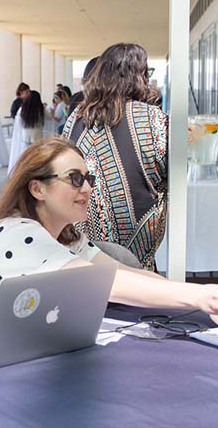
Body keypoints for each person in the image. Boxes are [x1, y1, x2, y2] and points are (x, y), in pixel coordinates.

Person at [0, 137, 218, 337]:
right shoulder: (18, 234)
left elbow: (128, 274)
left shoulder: (64, 236)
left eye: (88, 178)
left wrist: (205, 302)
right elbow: (105, 284)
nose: (87, 188)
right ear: (37, 188)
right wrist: (200, 296)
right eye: (74, 179)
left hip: (23, 355)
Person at [63, 43, 167, 270]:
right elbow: (170, 173)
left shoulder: (77, 116)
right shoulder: (151, 117)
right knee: (136, 290)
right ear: (138, 75)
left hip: (82, 232)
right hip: (136, 236)